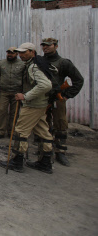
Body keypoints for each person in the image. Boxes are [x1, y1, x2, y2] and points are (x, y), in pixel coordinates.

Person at [0, 42, 53, 174]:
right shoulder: (36, 63)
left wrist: (25, 96)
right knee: (43, 132)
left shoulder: (34, 67)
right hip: (40, 104)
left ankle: (17, 161)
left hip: (33, 105)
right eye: (20, 52)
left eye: (24, 52)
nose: (21, 55)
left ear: (32, 51)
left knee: (20, 131)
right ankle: (45, 162)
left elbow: (45, 85)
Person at [41, 37, 84, 166]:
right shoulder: (40, 61)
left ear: (56, 46)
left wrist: (67, 95)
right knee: (44, 124)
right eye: (43, 45)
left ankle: (60, 152)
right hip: (43, 98)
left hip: (57, 98)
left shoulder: (64, 63)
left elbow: (78, 80)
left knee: (60, 124)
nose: (45, 47)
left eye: (49, 45)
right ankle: (45, 150)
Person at [0, 47, 25, 139]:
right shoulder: (1, 63)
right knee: (2, 111)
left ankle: (12, 132)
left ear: (17, 54)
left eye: (12, 53)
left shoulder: (22, 64)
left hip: (16, 92)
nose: (10, 54)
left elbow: (25, 79)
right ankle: (1, 131)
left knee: (14, 113)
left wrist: (23, 92)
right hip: (3, 92)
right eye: (8, 53)